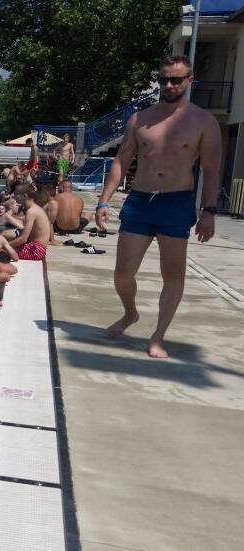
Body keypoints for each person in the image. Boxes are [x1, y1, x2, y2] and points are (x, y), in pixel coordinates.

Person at [95, 56, 221, 359]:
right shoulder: (140, 119)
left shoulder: (204, 122)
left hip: (176, 203)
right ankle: (130, 313)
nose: (168, 85)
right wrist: (103, 200)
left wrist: (209, 211)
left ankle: (159, 335)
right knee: (123, 272)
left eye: (176, 80)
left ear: (190, 80)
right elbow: (122, 160)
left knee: (173, 274)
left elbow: (212, 168)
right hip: (139, 201)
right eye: (164, 79)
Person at [8, 182, 51, 260]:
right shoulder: (35, 208)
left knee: (3, 251)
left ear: (25, 196)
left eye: (17, 194)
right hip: (37, 248)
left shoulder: (31, 212)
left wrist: (5, 246)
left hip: (35, 250)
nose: (14, 196)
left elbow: (23, 238)